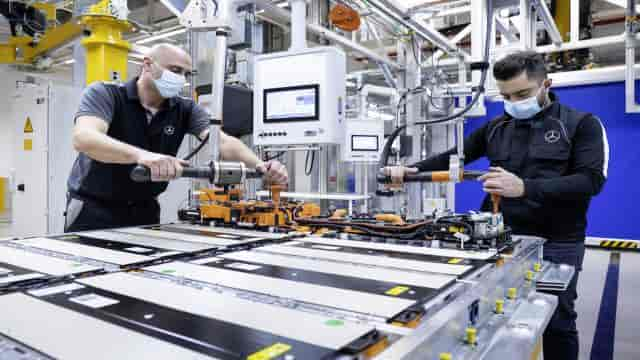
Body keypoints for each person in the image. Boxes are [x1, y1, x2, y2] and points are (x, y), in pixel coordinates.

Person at [382, 51, 608, 360]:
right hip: (500, 238)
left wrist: (525, 187)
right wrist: (412, 169)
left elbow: (590, 181)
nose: (514, 102)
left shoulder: (581, 124)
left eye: (522, 94)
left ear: (546, 84)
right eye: (506, 96)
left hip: (558, 241)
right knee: (493, 317)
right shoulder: (496, 128)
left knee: (557, 319)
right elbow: (454, 158)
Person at [65, 43, 288, 232]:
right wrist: (142, 156)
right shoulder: (106, 94)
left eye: (186, 74)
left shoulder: (185, 108)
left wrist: (261, 166)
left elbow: (221, 141)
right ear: (147, 65)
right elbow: (84, 138)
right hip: (93, 207)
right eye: (175, 70)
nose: (181, 79)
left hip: (144, 209)